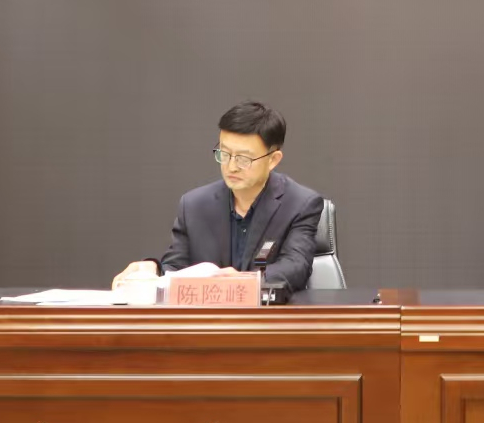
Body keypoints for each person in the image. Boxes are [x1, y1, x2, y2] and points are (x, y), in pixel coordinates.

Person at [113, 101, 325, 292]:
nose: (231, 166)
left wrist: (243, 281)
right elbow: (176, 268)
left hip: (267, 318)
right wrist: (153, 269)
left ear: (273, 160)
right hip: (208, 320)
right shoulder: (194, 205)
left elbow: (295, 267)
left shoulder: (299, 204)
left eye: (243, 158)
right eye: (224, 154)